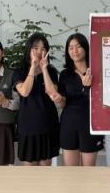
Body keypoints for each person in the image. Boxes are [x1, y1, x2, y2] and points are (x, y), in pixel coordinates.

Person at [51, 33, 103, 166]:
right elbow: (63, 103)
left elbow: (100, 101)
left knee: (88, 170)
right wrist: (59, 99)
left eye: (78, 46)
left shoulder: (97, 72)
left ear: (85, 48)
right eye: (71, 48)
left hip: (89, 124)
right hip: (69, 123)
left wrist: (87, 87)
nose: (74, 50)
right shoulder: (65, 74)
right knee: (71, 171)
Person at [12, 33, 60, 166]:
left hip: (48, 125)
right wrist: (33, 68)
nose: (39, 52)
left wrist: (44, 70)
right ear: (29, 49)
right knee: (30, 171)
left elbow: (52, 93)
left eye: (43, 48)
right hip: (28, 127)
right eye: (35, 48)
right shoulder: (20, 71)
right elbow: (24, 92)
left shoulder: (51, 72)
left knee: (45, 168)